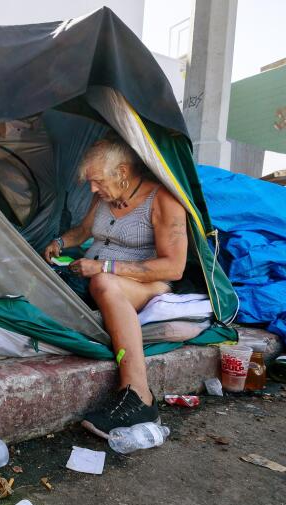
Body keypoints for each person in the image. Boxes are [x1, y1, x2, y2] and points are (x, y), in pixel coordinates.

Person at [43, 135, 188, 438]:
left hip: (147, 286)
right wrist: (59, 242)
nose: (93, 189)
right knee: (43, 283)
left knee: (105, 283)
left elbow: (174, 266)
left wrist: (104, 267)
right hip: (95, 277)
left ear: (122, 172)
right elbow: (83, 232)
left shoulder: (162, 200)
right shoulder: (104, 198)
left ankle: (139, 395)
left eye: (97, 181)